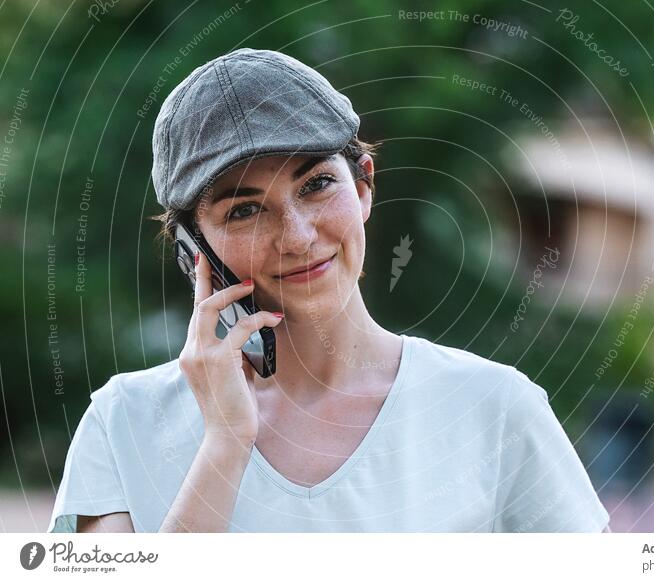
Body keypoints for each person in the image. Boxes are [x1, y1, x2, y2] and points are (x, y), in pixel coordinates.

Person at [47, 48, 611, 533]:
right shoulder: (123, 424)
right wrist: (224, 442)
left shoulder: (495, 408)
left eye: (317, 184)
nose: (296, 236)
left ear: (364, 184)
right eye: (244, 210)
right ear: (194, 250)